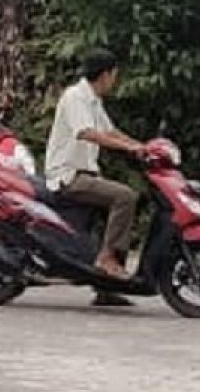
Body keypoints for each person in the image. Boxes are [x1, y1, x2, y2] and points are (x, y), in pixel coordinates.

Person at [44, 49, 145, 280]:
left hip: (86, 174)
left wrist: (142, 146)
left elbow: (110, 131)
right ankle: (107, 259)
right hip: (68, 176)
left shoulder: (92, 100)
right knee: (125, 196)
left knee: (116, 208)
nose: (115, 80)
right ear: (106, 74)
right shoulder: (75, 97)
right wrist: (129, 148)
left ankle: (107, 285)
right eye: (114, 75)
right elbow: (87, 133)